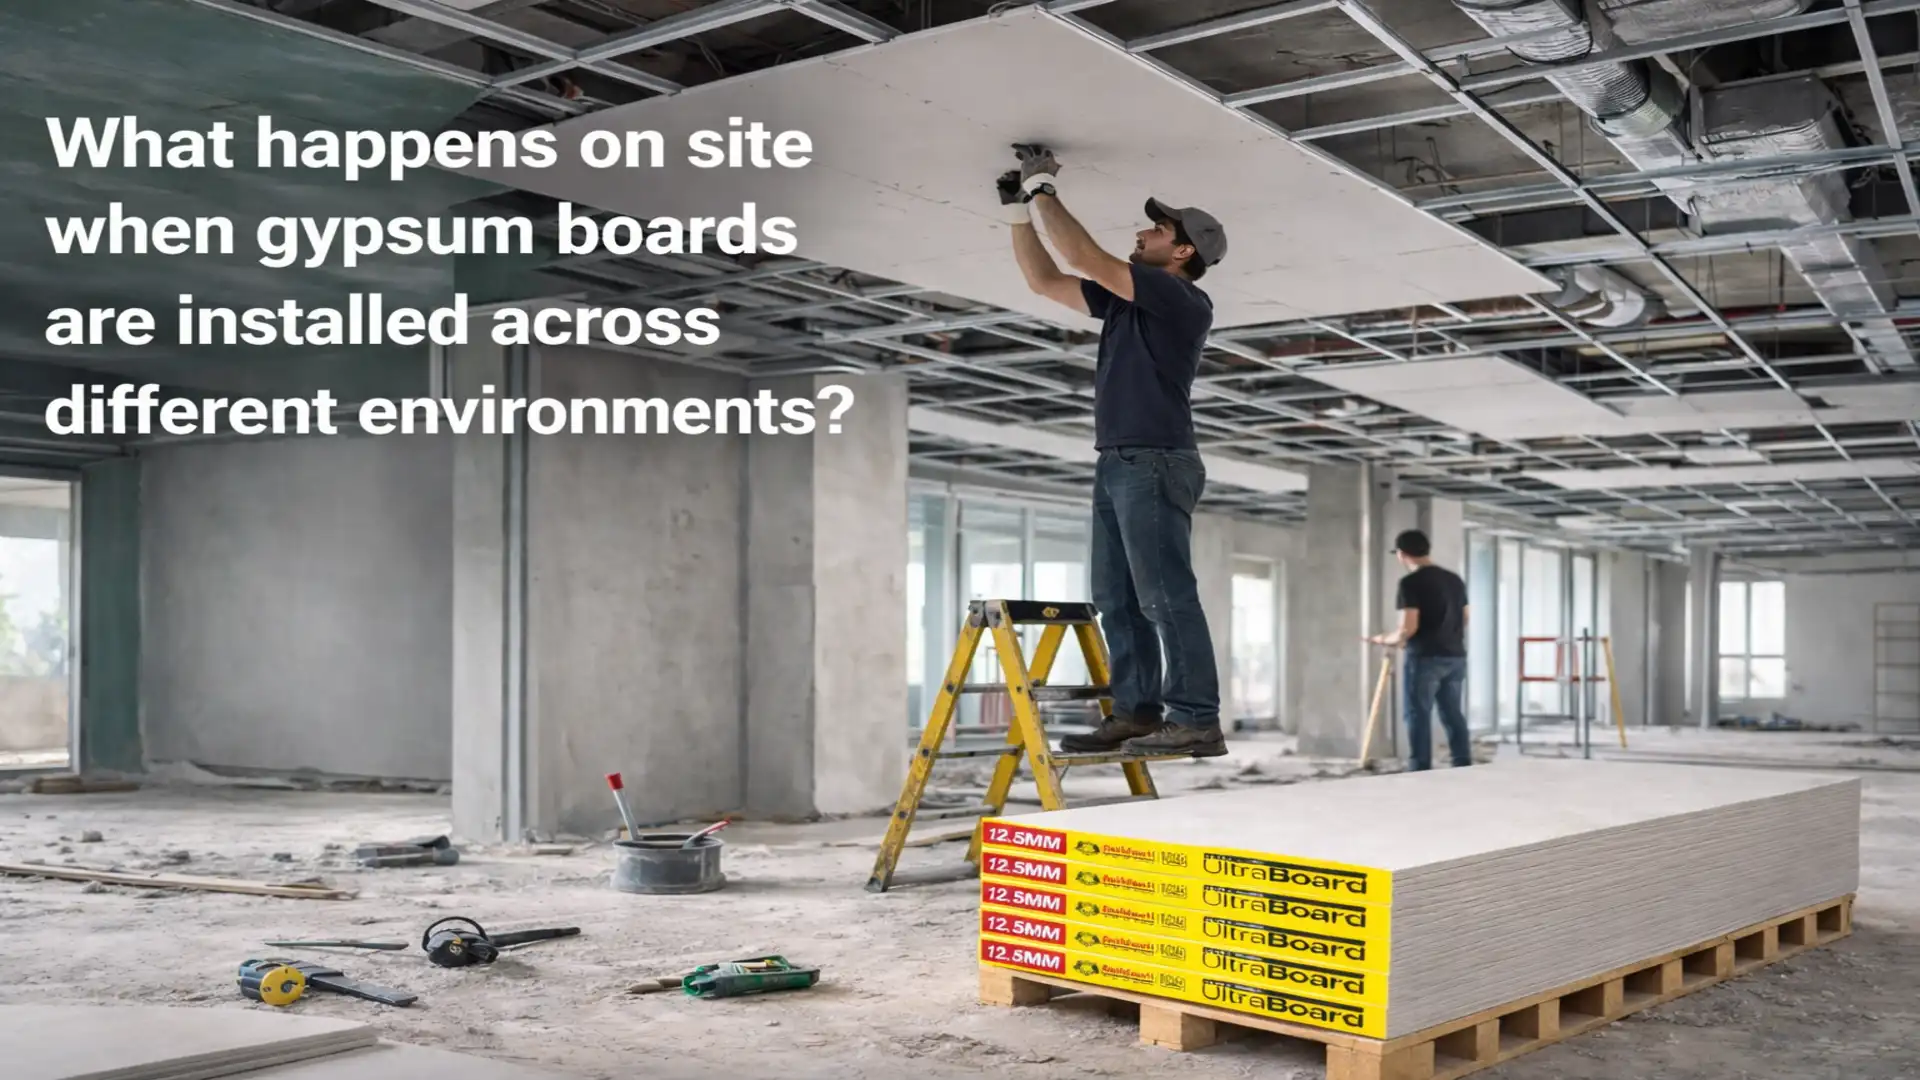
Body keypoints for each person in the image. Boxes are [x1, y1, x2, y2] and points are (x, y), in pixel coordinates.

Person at [995, 146, 1229, 758]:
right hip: (1119, 461)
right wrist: (1020, 210)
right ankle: (1136, 711)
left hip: (1155, 458)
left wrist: (1044, 186)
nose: (1142, 232)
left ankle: (1197, 719)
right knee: (1118, 597)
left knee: (1163, 594)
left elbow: (1081, 256)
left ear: (1182, 253)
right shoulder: (1131, 304)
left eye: (1157, 229)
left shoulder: (1181, 300)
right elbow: (1045, 280)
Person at [1366, 529, 1472, 771]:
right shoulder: (1454, 580)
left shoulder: (1409, 583)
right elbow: (1465, 617)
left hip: (1425, 657)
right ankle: (1463, 763)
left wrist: (1385, 639)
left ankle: (1420, 768)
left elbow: (1408, 627)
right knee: (1452, 713)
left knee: (1417, 714)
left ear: (1402, 554)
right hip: (1455, 656)